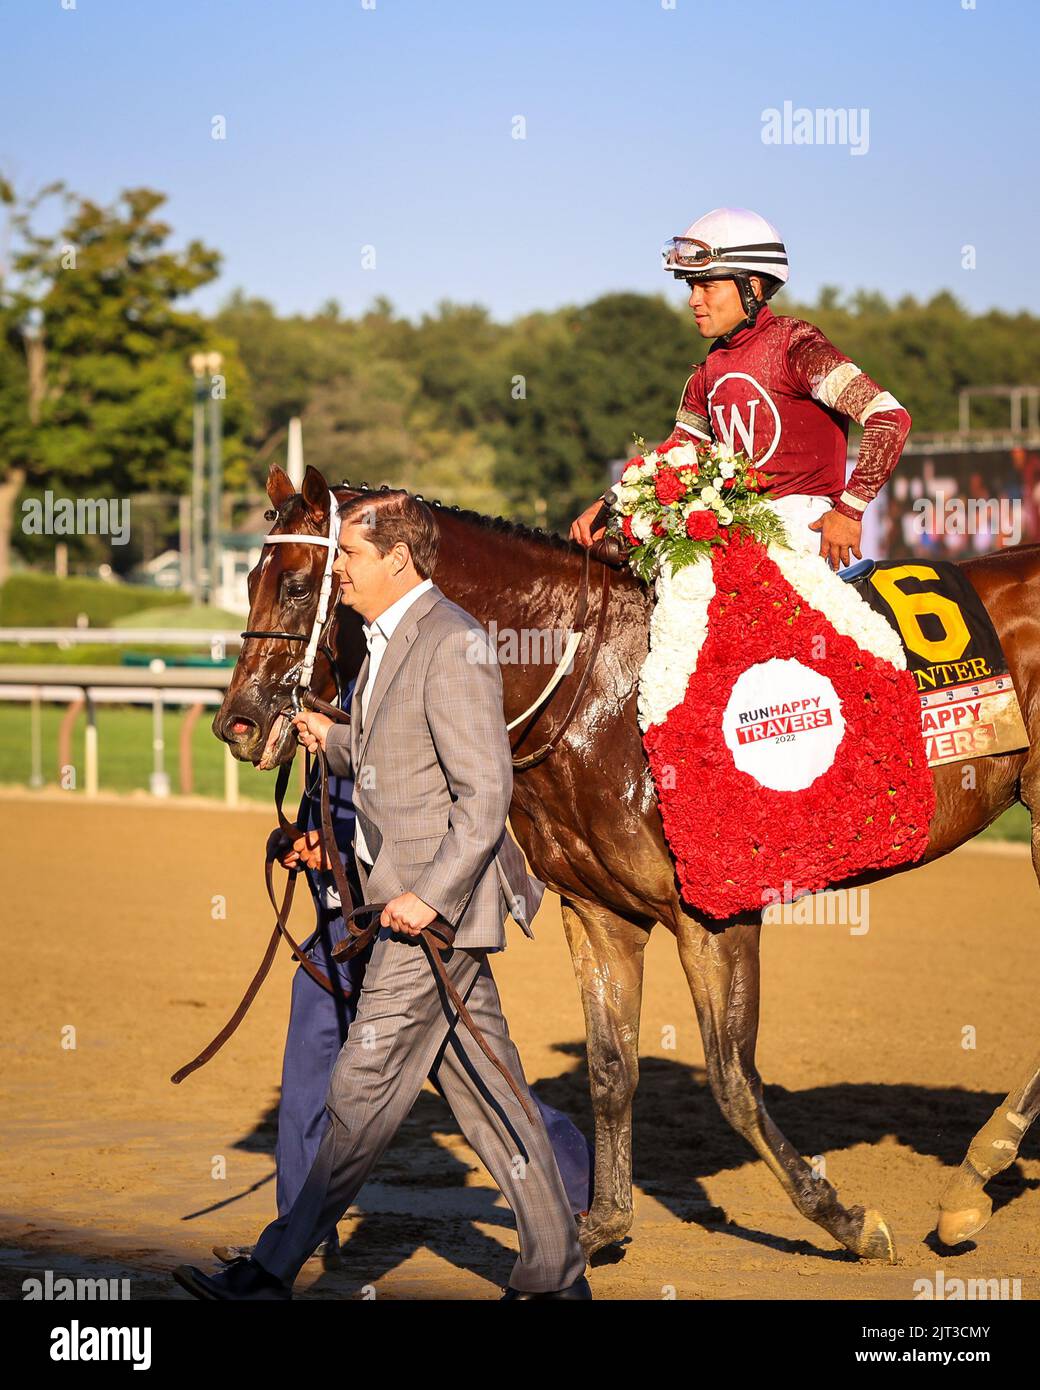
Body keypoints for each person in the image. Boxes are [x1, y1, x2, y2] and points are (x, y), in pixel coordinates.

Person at [174, 490, 590, 1301]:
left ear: (397, 559)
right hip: (413, 916)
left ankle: (269, 1273)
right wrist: (331, 742)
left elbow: (484, 794)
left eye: (353, 559)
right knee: (493, 1103)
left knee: (359, 1090)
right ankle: (556, 1278)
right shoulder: (385, 638)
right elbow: (392, 754)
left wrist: (428, 899)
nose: (343, 576)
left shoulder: (454, 641)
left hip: (426, 922)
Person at [571, 207, 912, 565]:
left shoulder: (798, 346)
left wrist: (850, 509)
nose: (693, 300)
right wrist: (607, 503)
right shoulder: (709, 368)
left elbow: (889, 417)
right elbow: (677, 454)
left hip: (801, 530)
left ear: (750, 287)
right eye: (691, 286)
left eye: (707, 285)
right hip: (732, 531)